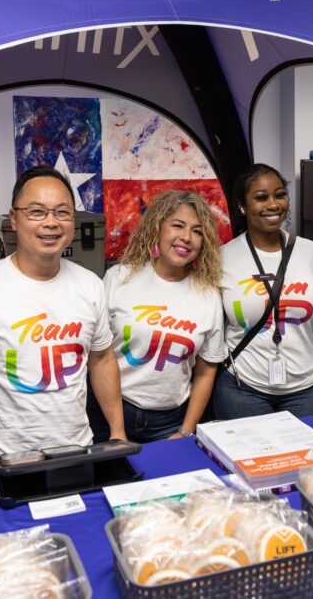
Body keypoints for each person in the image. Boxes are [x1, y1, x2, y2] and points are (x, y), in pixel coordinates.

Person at [0, 166, 126, 454]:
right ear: (14, 220)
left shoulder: (90, 284)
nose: (51, 222)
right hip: (4, 457)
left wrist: (117, 431)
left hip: (77, 450)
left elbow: (103, 358)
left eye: (62, 212)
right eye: (37, 212)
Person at [92, 190, 226, 443]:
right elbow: (97, 354)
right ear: (158, 227)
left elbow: (206, 371)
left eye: (197, 231)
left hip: (169, 422)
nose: (186, 237)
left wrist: (187, 430)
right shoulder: (119, 278)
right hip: (108, 413)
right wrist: (116, 429)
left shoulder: (208, 296)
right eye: (178, 225)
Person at [215, 163, 313, 419]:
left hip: (306, 387)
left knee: (309, 458)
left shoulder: (311, 252)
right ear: (242, 206)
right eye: (261, 197)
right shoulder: (224, 257)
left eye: (280, 195)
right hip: (243, 386)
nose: (273, 204)